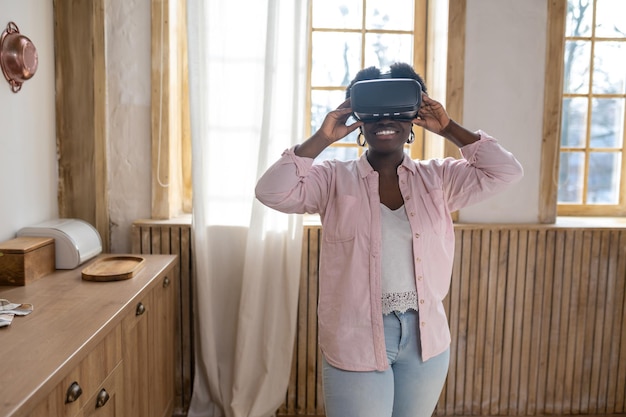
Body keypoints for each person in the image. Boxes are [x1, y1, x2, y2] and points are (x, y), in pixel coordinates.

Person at [255, 62, 523, 417]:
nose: (386, 120)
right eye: (375, 112)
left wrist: (448, 128)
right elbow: (270, 191)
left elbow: (506, 171)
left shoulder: (439, 179)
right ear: (359, 119)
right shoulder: (333, 179)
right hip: (354, 336)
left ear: (413, 117)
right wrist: (322, 138)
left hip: (425, 339)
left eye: (398, 111)